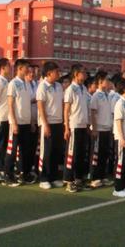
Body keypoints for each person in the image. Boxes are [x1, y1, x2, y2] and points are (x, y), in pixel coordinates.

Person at [4, 59, 36, 187]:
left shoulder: (27, 83)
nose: (28, 70)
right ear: (20, 68)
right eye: (26, 67)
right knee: (12, 150)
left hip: (26, 122)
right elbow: (10, 104)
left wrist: (31, 122)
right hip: (16, 123)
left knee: (25, 150)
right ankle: (8, 175)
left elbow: (28, 103)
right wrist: (13, 122)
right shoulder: (13, 83)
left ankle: (24, 174)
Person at [35, 61, 64, 190]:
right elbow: (40, 106)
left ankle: (53, 177)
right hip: (47, 123)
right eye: (56, 72)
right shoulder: (42, 87)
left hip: (58, 122)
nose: (59, 74)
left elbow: (62, 103)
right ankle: (44, 178)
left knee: (56, 151)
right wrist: (45, 124)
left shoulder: (59, 86)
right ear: (49, 73)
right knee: (46, 151)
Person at [63, 64, 89, 193]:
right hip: (74, 126)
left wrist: (88, 124)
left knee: (80, 154)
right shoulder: (71, 89)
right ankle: (69, 181)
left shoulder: (83, 88)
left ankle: (79, 179)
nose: (85, 74)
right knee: (71, 154)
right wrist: (66, 128)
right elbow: (66, 110)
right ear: (76, 74)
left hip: (83, 125)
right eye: (83, 72)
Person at [89, 71, 114, 189]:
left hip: (107, 128)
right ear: (100, 82)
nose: (108, 82)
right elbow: (93, 113)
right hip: (99, 129)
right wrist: (94, 129)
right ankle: (95, 178)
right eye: (106, 80)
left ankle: (102, 176)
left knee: (104, 154)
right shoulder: (96, 95)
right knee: (96, 155)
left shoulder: (107, 94)